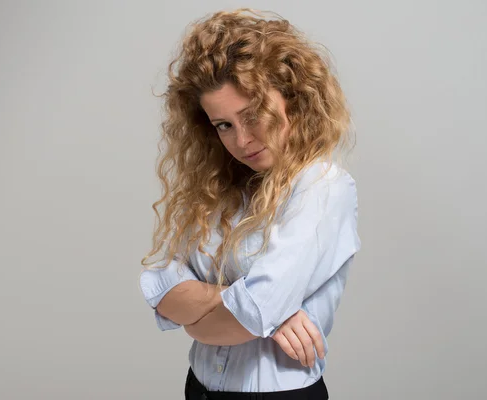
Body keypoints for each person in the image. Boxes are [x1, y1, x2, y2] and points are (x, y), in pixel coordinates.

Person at [139, 8, 360, 399]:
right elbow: (163, 289)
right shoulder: (218, 188)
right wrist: (239, 305)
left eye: (253, 114)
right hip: (199, 388)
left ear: (292, 97)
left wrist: (205, 314)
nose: (242, 140)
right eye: (223, 125)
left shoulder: (322, 187)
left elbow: (249, 316)